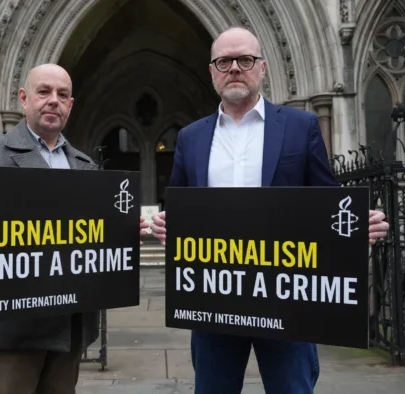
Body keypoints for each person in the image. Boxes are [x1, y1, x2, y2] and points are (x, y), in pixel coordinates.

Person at [149, 27, 390, 394]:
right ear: (212, 71)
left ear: (262, 68)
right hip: (215, 299)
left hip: (287, 297)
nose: (234, 68)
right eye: (224, 61)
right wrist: (171, 226)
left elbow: (325, 201)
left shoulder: (301, 126)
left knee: (291, 389)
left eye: (244, 60)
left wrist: (354, 228)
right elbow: (181, 207)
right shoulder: (191, 137)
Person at [0, 63, 149, 394]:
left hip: (69, 323)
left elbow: (96, 234)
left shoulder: (84, 165)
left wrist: (124, 230)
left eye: (62, 94)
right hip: (14, 328)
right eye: (44, 92)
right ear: (24, 98)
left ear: (70, 105)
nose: (54, 100)